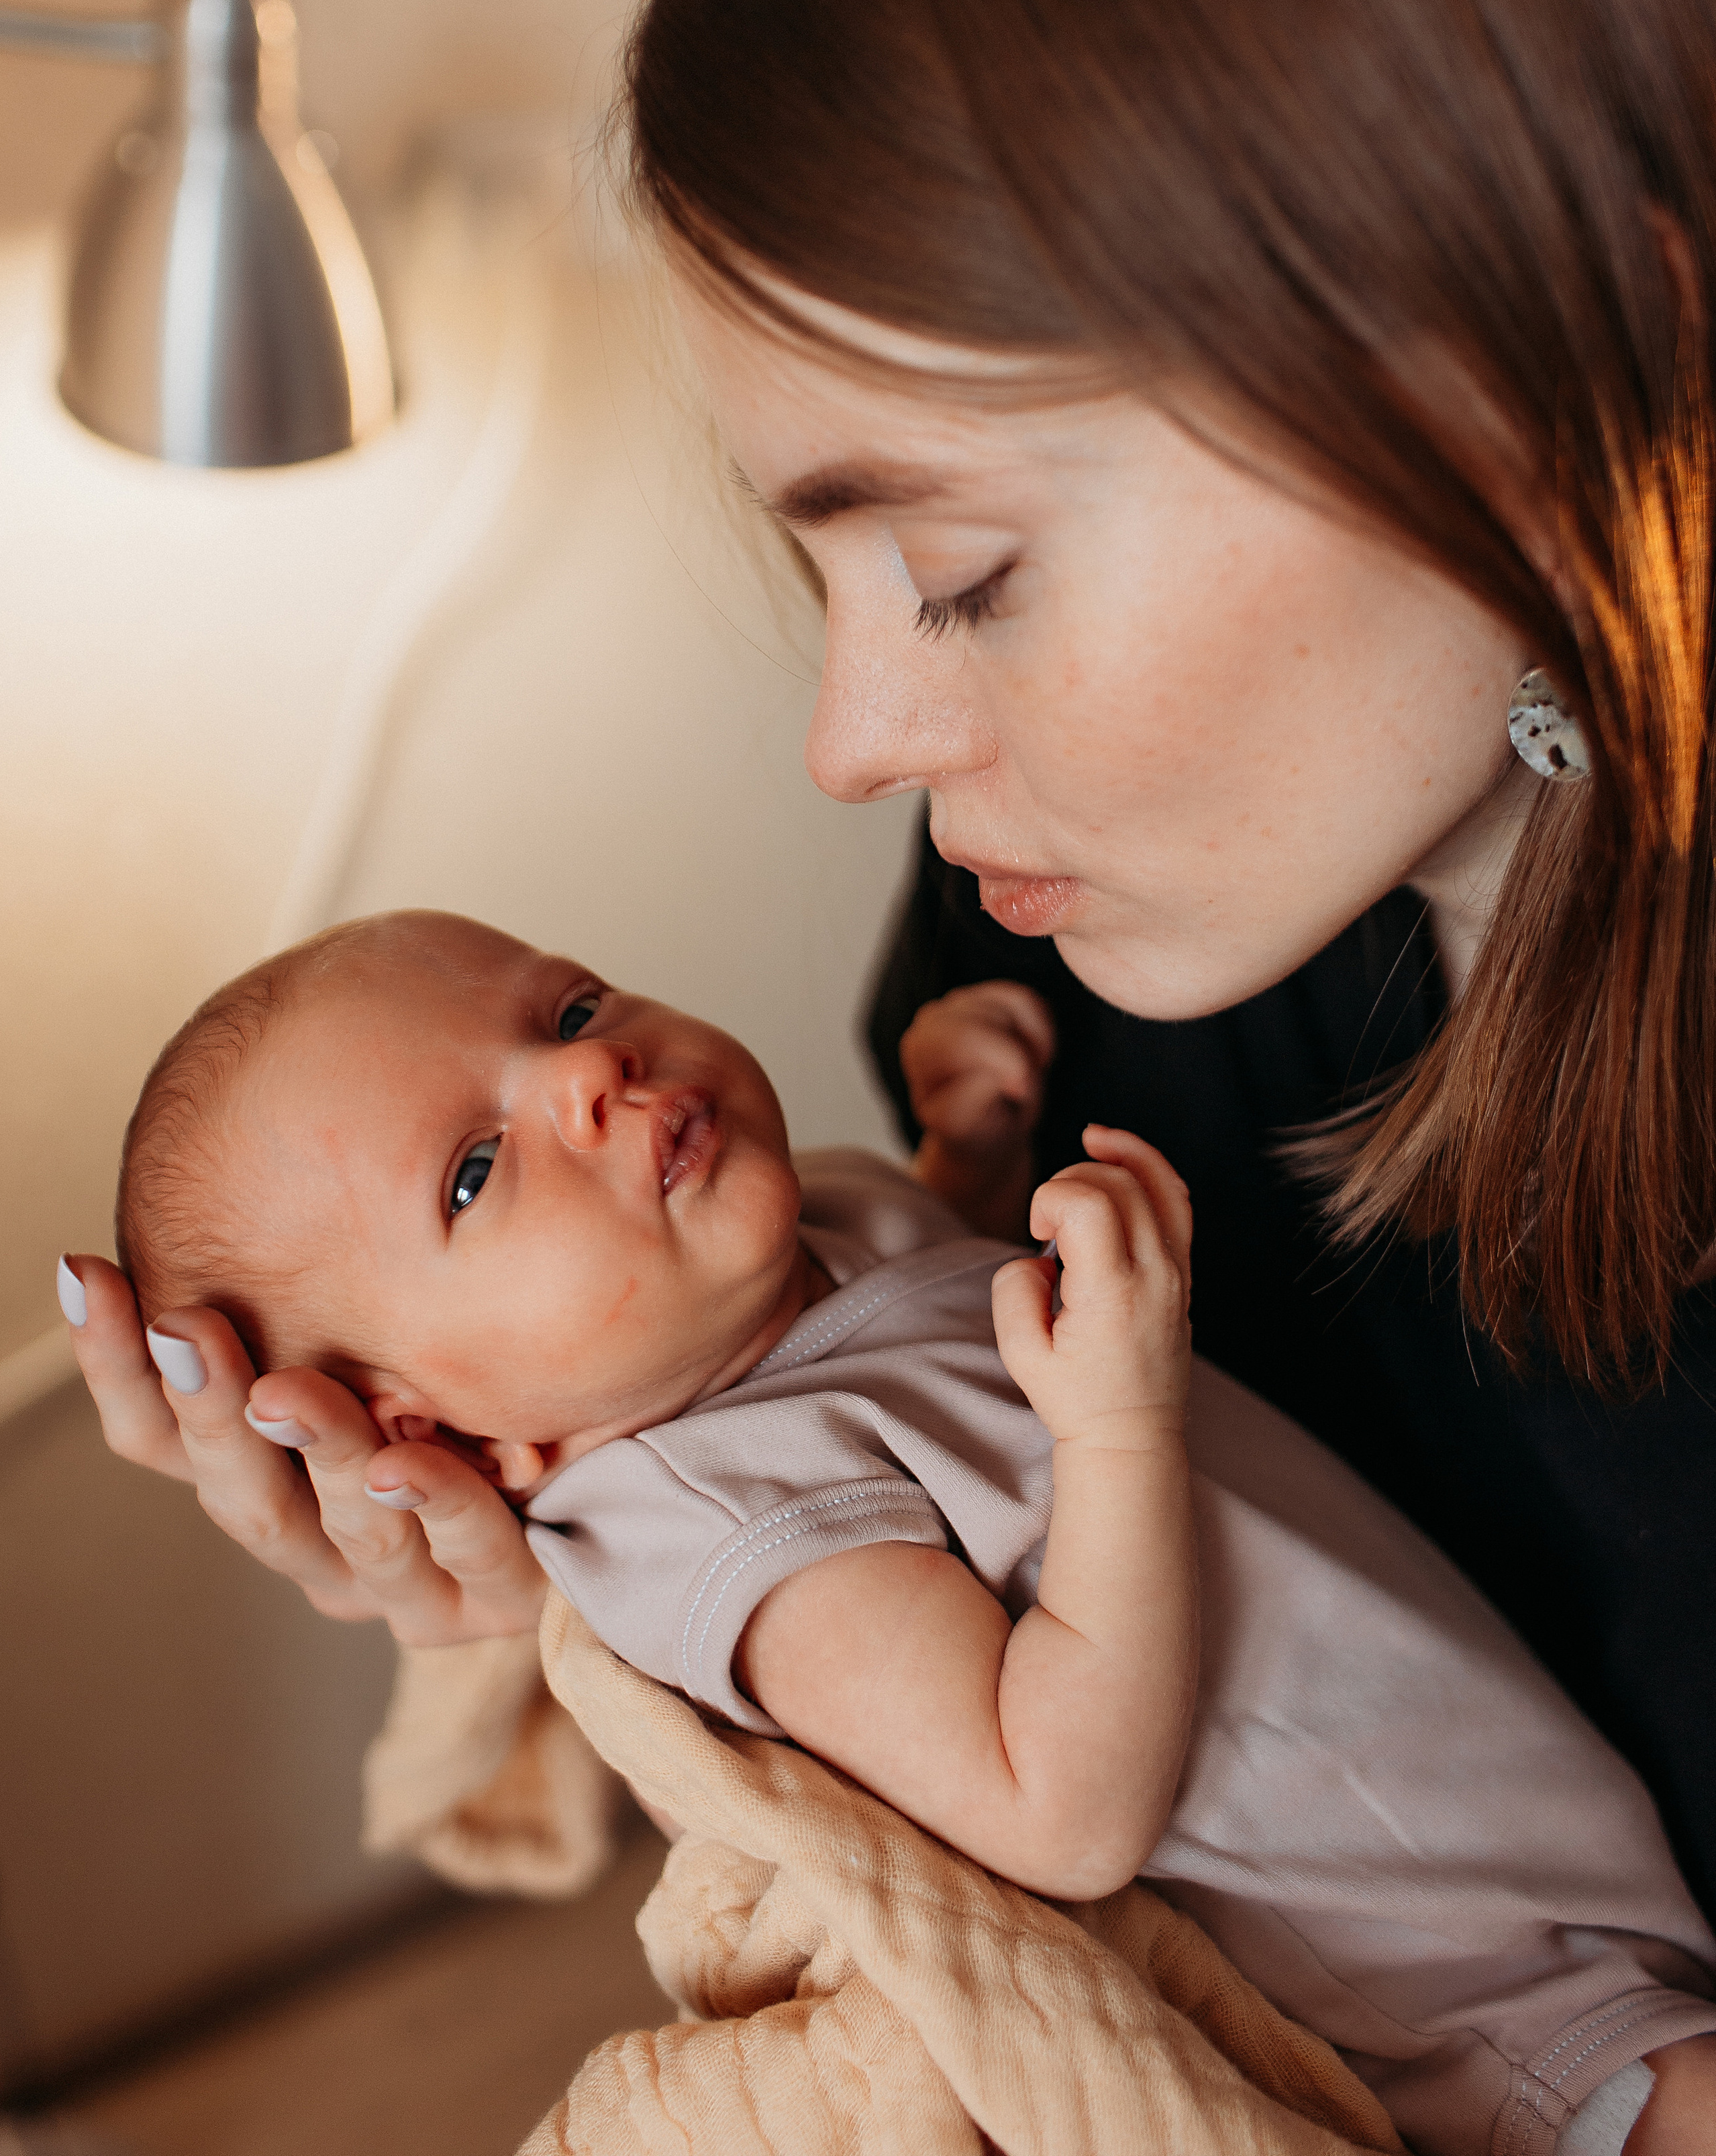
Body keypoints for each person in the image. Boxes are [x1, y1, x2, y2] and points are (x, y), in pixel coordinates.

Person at [56, 0, 1716, 2143]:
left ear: (1522, 372)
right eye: (817, 569)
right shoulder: (1070, 960)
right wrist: (563, 1608)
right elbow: (1025, 1730)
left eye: (960, 570)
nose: (852, 735)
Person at [107, 907, 1716, 2155]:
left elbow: (930, 1355)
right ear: (450, 1436)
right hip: (1472, 2016)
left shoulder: (806, 1237)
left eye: (568, 1008)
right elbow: (1053, 1805)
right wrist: (1116, 1423)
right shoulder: (721, 1520)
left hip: (1528, 1872)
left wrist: (969, 1165)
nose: (586, 1074)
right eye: (472, 1173)